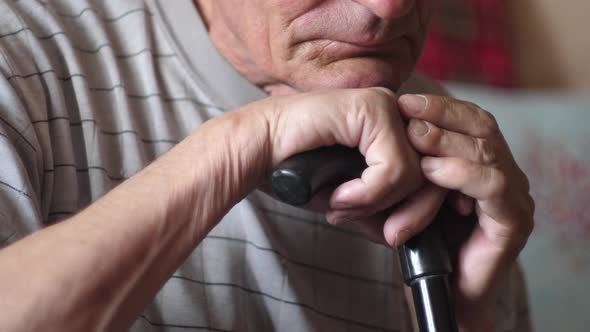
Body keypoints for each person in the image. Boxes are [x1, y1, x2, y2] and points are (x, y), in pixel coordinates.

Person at [0, 0, 533, 331]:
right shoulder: (21, 50)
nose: (389, 8)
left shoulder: (450, 156)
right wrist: (242, 142)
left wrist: (462, 316)